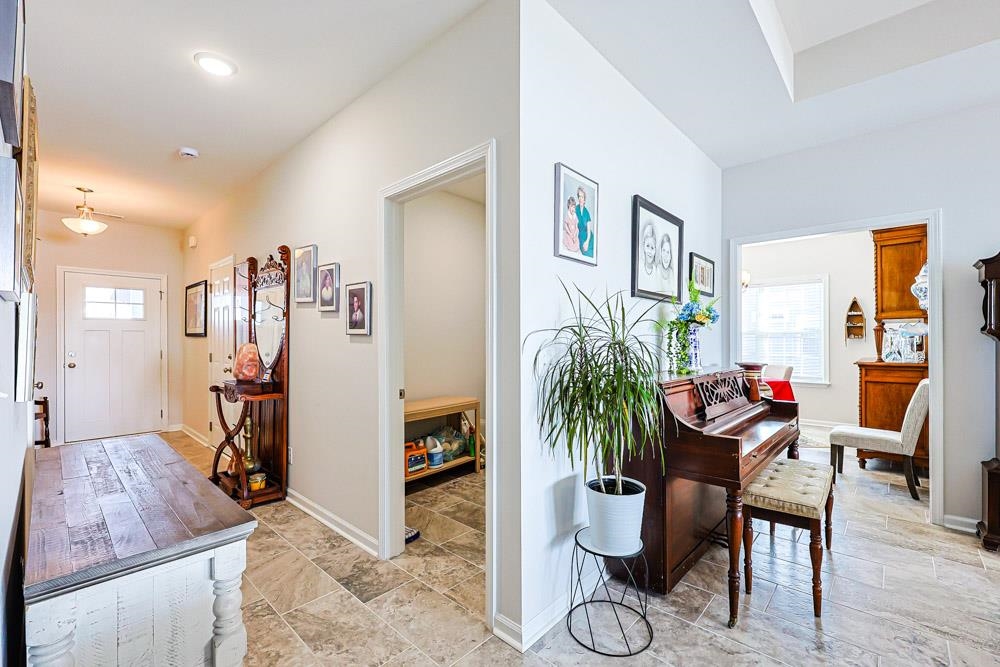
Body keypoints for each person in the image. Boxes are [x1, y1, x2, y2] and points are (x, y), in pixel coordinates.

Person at [576, 187, 594, 258]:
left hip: (588, 237)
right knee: (585, 252)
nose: (580, 199)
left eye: (582, 197)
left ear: (584, 199)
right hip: (580, 236)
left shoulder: (586, 212)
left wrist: (587, 241)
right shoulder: (576, 209)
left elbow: (589, 231)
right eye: (579, 196)